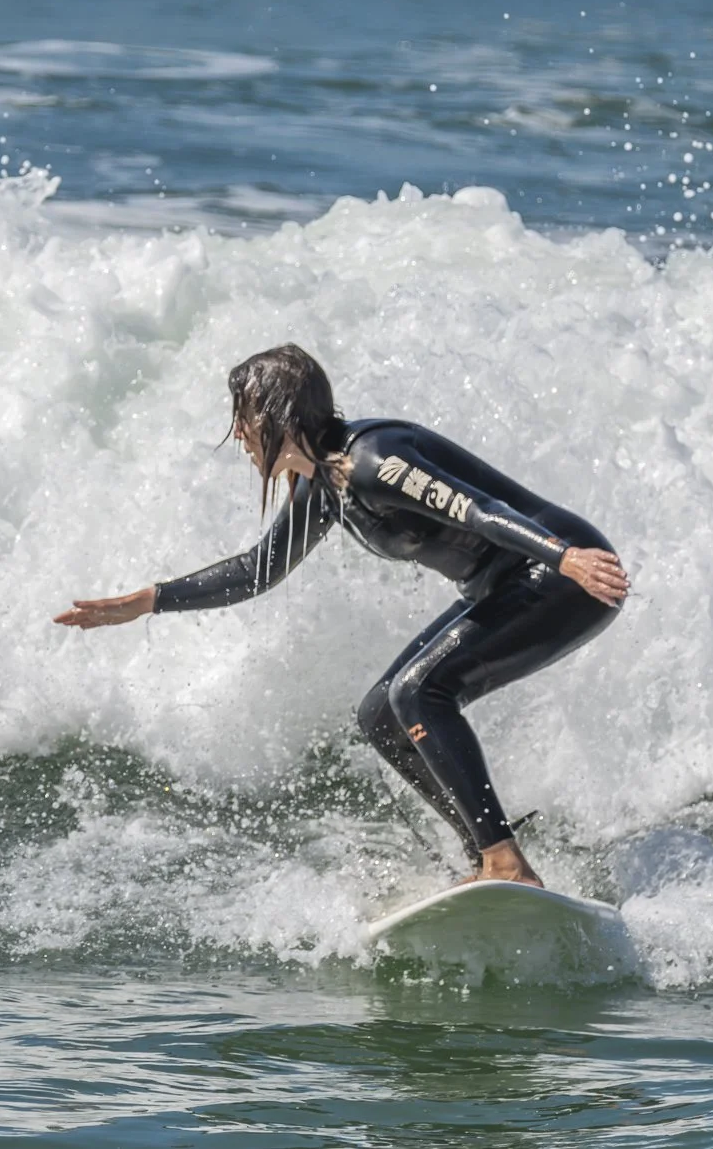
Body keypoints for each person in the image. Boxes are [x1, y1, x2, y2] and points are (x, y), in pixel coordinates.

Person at [53, 344, 628, 887]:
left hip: (559, 574)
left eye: (245, 418)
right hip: (509, 584)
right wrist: (147, 600)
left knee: (419, 693)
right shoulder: (325, 484)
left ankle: (504, 859)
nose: (238, 435)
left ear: (277, 413)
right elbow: (259, 570)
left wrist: (565, 556)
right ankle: (485, 853)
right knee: (382, 713)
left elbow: (479, 511)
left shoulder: (375, 460)